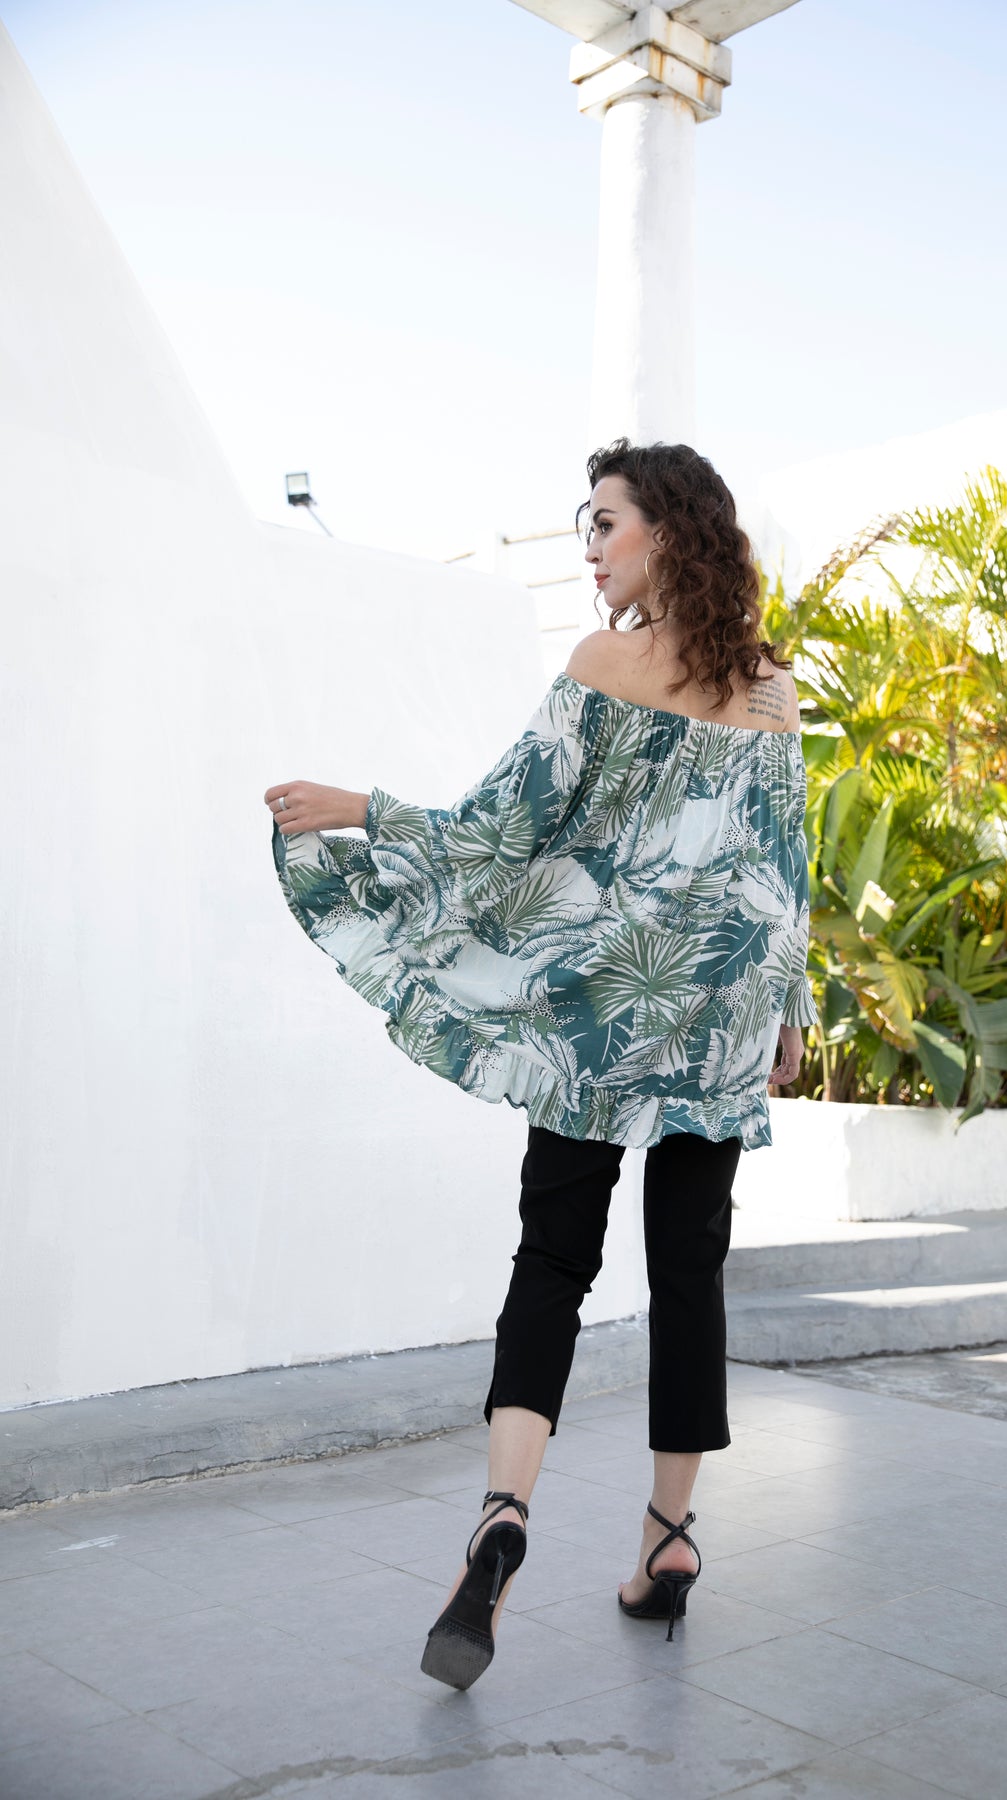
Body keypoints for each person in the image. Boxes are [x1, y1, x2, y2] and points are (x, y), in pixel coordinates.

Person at [264, 437, 817, 1692]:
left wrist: (361, 810)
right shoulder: (772, 692)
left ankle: (502, 1521)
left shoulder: (603, 667)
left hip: (599, 1014)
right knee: (691, 1273)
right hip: (723, 1013)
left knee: (555, 1262)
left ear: (667, 530)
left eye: (605, 522)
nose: (592, 548)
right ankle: (669, 1539)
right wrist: (791, 1007)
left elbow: (498, 831)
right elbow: (786, 873)